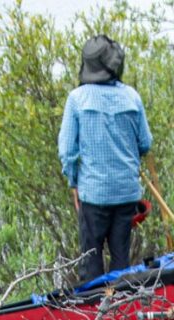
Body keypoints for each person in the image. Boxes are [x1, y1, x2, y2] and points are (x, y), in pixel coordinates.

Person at [58, 35, 153, 284]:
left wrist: (74, 184)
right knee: (121, 261)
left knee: (91, 262)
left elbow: (67, 152)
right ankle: (122, 310)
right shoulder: (132, 97)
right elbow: (145, 143)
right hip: (126, 194)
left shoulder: (77, 99)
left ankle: (94, 312)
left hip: (93, 195)